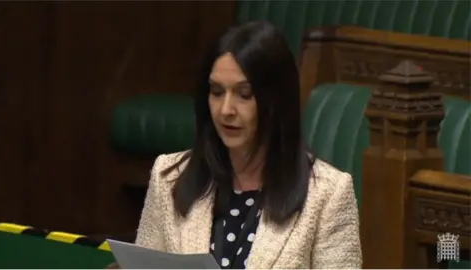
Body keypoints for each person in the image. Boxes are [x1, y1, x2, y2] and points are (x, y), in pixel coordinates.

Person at [135, 21, 362, 269]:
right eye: (217, 92)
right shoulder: (168, 177)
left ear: (276, 100)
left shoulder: (328, 194)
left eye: (244, 95)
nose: (226, 110)